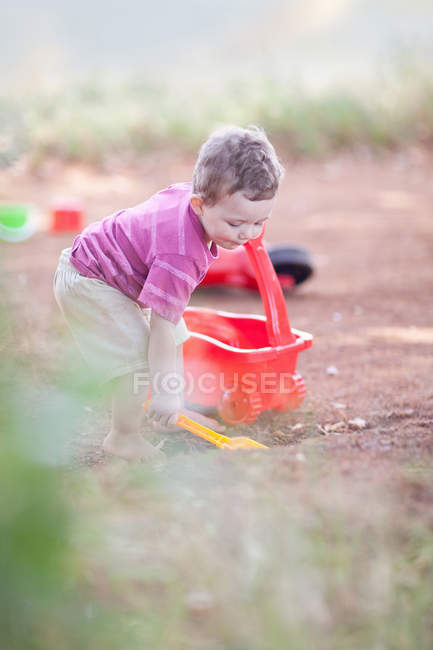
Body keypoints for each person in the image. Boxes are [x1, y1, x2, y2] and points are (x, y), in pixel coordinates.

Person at [53, 125, 284, 463]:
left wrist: (168, 393)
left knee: (175, 333)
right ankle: (123, 437)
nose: (247, 234)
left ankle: (169, 415)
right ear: (200, 204)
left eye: (258, 223)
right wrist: (163, 391)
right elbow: (159, 327)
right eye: (236, 224)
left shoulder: (195, 200)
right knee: (136, 359)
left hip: (114, 272)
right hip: (90, 280)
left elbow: (168, 327)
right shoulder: (181, 253)